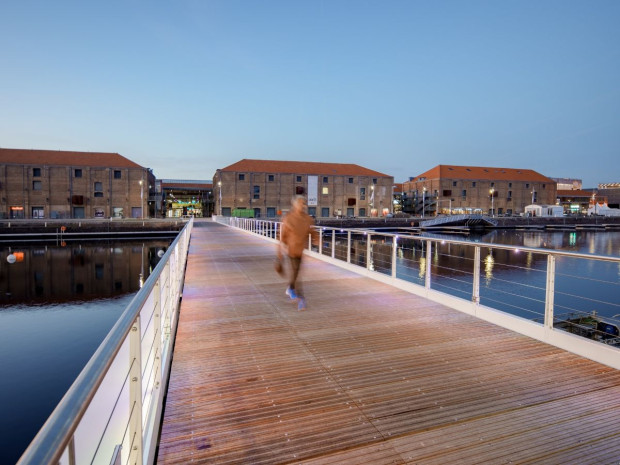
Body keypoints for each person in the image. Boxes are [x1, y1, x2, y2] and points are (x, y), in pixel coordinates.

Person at [278, 196, 318, 310]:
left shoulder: (307, 219)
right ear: (294, 205)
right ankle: (301, 299)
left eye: (304, 203)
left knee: (296, 273)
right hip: (291, 250)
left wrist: (317, 239)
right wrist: (280, 252)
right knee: (296, 272)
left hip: (300, 250)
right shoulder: (288, 218)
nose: (303, 205)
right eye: (301, 203)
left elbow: (312, 231)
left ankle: (290, 288)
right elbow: (282, 236)